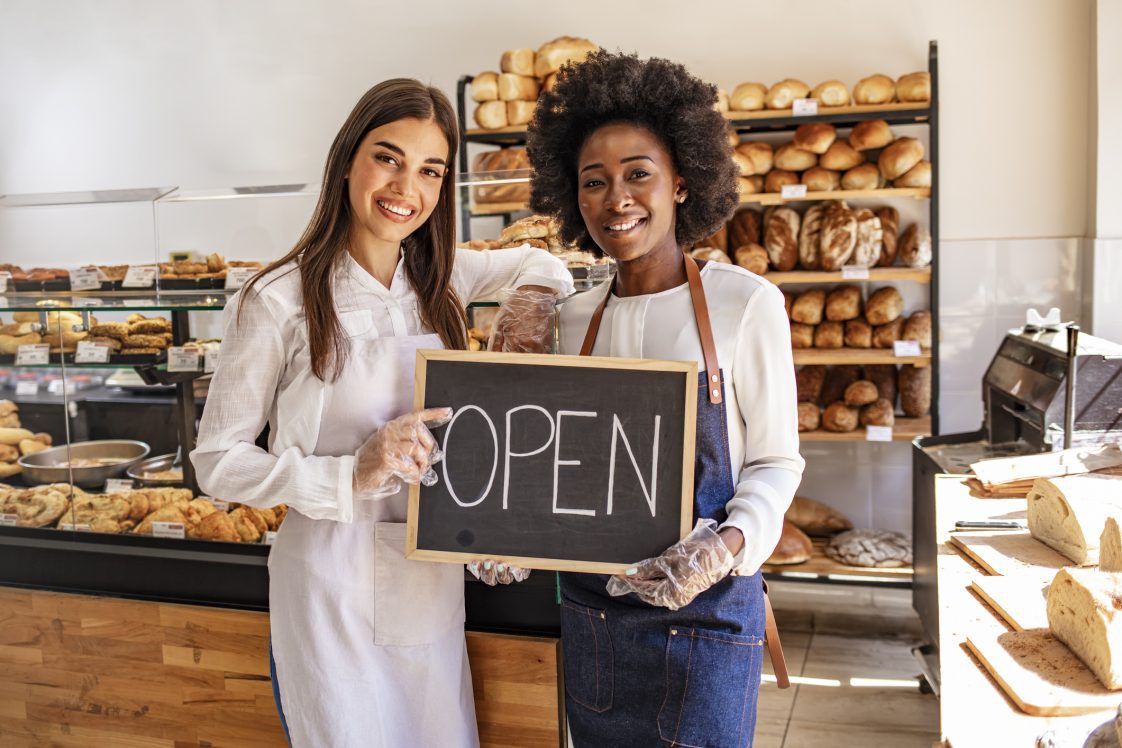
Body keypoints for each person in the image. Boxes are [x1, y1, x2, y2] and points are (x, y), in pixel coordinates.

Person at [191, 79, 573, 747]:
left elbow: (547, 263)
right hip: (328, 585)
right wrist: (350, 474)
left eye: (430, 170)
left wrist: (531, 304)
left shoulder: (442, 280)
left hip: (427, 577)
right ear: (347, 160)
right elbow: (217, 463)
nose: (407, 186)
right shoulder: (278, 300)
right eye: (388, 157)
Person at [527, 51, 805, 747]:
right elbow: (552, 462)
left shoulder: (746, 304)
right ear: (574, 197)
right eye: (594, 182)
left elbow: (777, 462)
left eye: (638, 174)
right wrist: (514, 531)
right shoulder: (570, 319)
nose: (616, 198)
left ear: (682, 181)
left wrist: (728, 544)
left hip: (708, 621)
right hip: (595, 624)